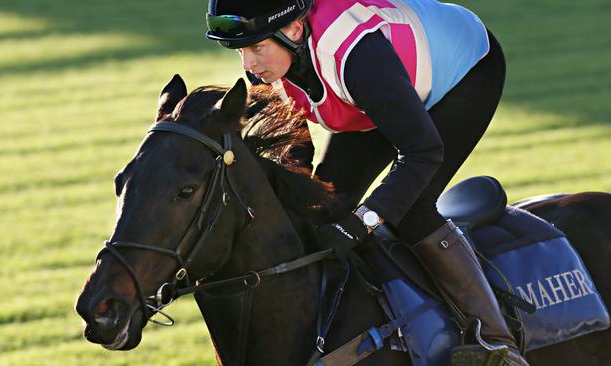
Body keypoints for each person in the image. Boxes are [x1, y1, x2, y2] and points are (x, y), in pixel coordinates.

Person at [205, 0, 527, 364]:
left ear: (294, 29)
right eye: (240, 50)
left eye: (256, 48)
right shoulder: (270, 61)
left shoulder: (353, 53)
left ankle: (497, 342)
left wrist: (365, 221)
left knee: (410, 209)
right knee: (324, 207)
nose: (248, 64)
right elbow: (294, 156)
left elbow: (423, 152)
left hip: (464, 73)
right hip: (372, 92)